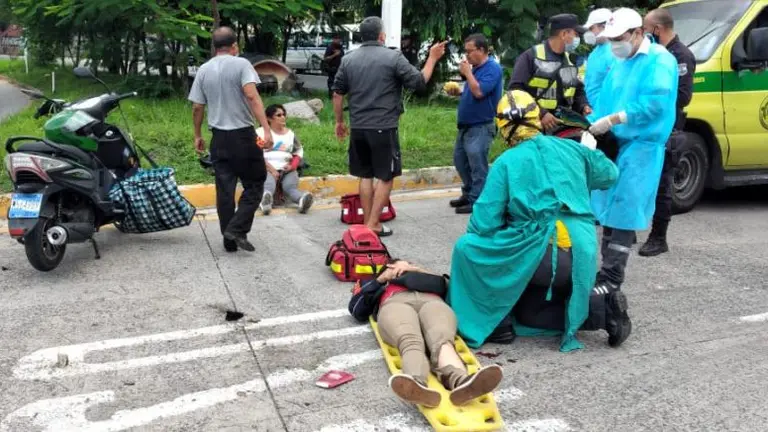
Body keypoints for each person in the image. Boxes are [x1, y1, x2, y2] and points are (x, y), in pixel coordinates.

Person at [448, 89, 631, 352]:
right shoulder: (571, 148)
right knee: (528, 314)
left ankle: (496, 324)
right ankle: (604, 310)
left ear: (502, 128)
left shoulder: (506, 162)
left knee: (466, 249)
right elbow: (610, 175)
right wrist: (584, 166)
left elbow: (483, 224)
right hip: (583, 255)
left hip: (541, 255)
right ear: (537, 118)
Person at [587, 8, 679, 292]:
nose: (614, 44)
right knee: (606, 207)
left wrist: (617, 118)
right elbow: (606, 99)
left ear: (639, 33)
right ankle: (603, 272)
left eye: (619, 38)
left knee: (624, 208)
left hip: (643, 145)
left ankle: (612, 277)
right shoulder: (620, 61)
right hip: (616, 143)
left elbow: (656, 104)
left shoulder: (660, 60)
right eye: (611, 38)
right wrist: (592, 129)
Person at [332, 16, 446, 237]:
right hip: (384, 127)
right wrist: (432, 58)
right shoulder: (393, 57)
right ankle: (373, 224)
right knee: (385, 176)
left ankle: (367, 222)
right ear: (382, 36)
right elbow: (419, 82)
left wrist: (339, 122)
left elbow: (337, 93)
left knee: (365, 175)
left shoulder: (348, 59)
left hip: (358, 128)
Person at [349, 259, 503, 407]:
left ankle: (461, 382)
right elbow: (357, 310)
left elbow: (457, 291)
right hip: (395, 302)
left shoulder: (429, 279)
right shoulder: (377, 282)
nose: (404, 268)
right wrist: (382, 278)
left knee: (442, 340)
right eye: (397, 266)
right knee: (409, 340)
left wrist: (421, 272)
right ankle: (416, 384)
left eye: (408, 264)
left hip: (433, 302)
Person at [189, 26, 273, 253]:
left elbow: (197, 107)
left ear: (214, 47)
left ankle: (229, 241)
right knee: (255, 184)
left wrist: (197, 135)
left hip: (218, 139)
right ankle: (236, 230)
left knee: (224, 189)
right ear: (235, 45)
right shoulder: (242, 64)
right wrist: (266, 129)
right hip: (244, 136)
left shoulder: (204, 70)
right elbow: (251, 95)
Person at [639, 8, 696, 257]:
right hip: (648, 126)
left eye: (645, 28)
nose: (643, 33)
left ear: (657, 29)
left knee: (662, 185)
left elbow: (683, 96)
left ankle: (658, 237)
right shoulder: (652, 54)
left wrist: (654, 100)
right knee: (638, 179)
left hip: (667, 128)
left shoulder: (679, 55)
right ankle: (627, 227)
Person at [444, 34, 503, 214]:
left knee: (477, 163)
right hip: (466, 125)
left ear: (482, 50)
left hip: (481, 125)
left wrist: (467, 73)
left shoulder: (492, 68)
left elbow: (479, 92)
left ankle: (478, 199)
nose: (467, 55)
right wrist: (459, 92)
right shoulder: (476, 69)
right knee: (460, 160)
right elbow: (472, 89)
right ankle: (469, 193)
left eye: (470, 51)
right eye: (466, 51)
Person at [509, 13, 591, 131]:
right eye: (575, 34)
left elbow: (577, 91)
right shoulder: (531, 57)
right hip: (533, 126)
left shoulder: (568, 60)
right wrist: (542, 113)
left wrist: (584, 106)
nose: (577, 39)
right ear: (564, 34)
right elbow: (515, 91)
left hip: (561, 126)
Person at [257, 104, 313, 215]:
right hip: (266, 168)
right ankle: (265, 202)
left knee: (290, 188)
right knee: (269, 185)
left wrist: (293, 166)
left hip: (286, 169)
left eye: (284, 115)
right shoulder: (260, 133)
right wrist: (272, 170)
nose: (283, 117)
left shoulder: (290, 134)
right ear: (269, 118)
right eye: (279, 115)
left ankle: (302, 200)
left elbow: (298, 152)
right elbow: (256, 154)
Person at [582, 8, 614, 108]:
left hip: (607, 112)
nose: (589, 33)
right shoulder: (594, 53)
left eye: (591, 28)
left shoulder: (616, 52)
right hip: (590, 111)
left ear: (603, 27)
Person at [323, 35, 344, 99]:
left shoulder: (340, 47)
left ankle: (338, 97)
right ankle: (331, 97)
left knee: (339, 84)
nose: (339, 40)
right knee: (331, 83)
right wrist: (334, 55)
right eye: (337, 39)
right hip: (332, 69)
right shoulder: (330, 47)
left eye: (339, 39)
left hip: (340, 69)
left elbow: (342, 56)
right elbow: (325, 59)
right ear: (334, 39)